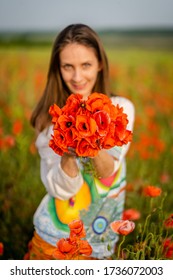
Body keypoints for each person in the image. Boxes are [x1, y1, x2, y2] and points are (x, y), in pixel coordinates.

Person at [27, 23, 135, 260]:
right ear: (58, 68)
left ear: (100, 64)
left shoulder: (120, 110)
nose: (77, 77)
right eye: (68, 66)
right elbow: (63, 189)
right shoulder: (50, 119)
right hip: (53, 240)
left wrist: (88, 136)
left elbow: (108, 170)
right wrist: (68, 152)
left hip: (99, 241)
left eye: (86, 65)